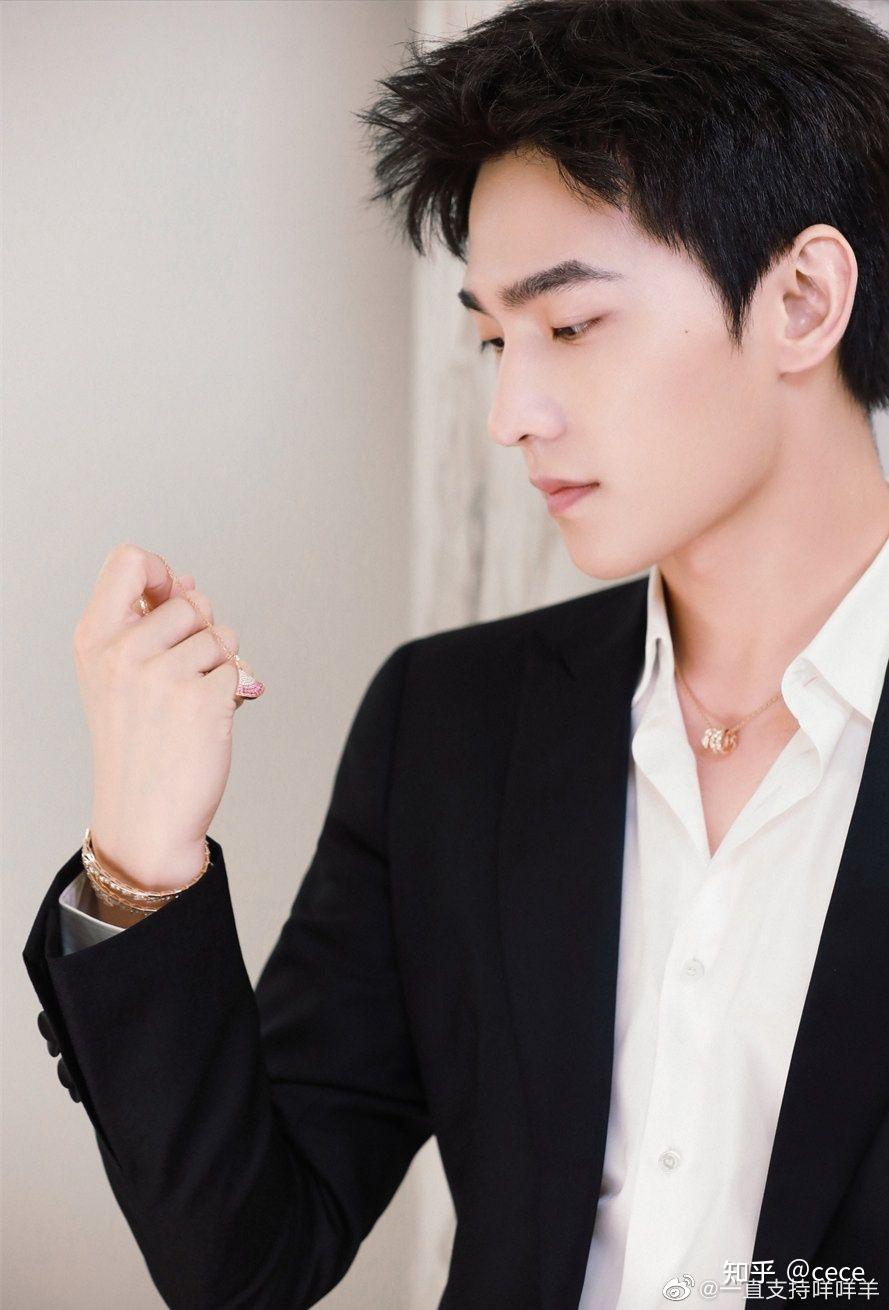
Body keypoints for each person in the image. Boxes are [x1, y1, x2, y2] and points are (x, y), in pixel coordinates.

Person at [22, 1, 889, 1306]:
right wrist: (141, 863)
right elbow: (245, 1262)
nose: (509, 415)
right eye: (493, 340)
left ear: (803, 300)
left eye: (570, 326)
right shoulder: (450, 724)